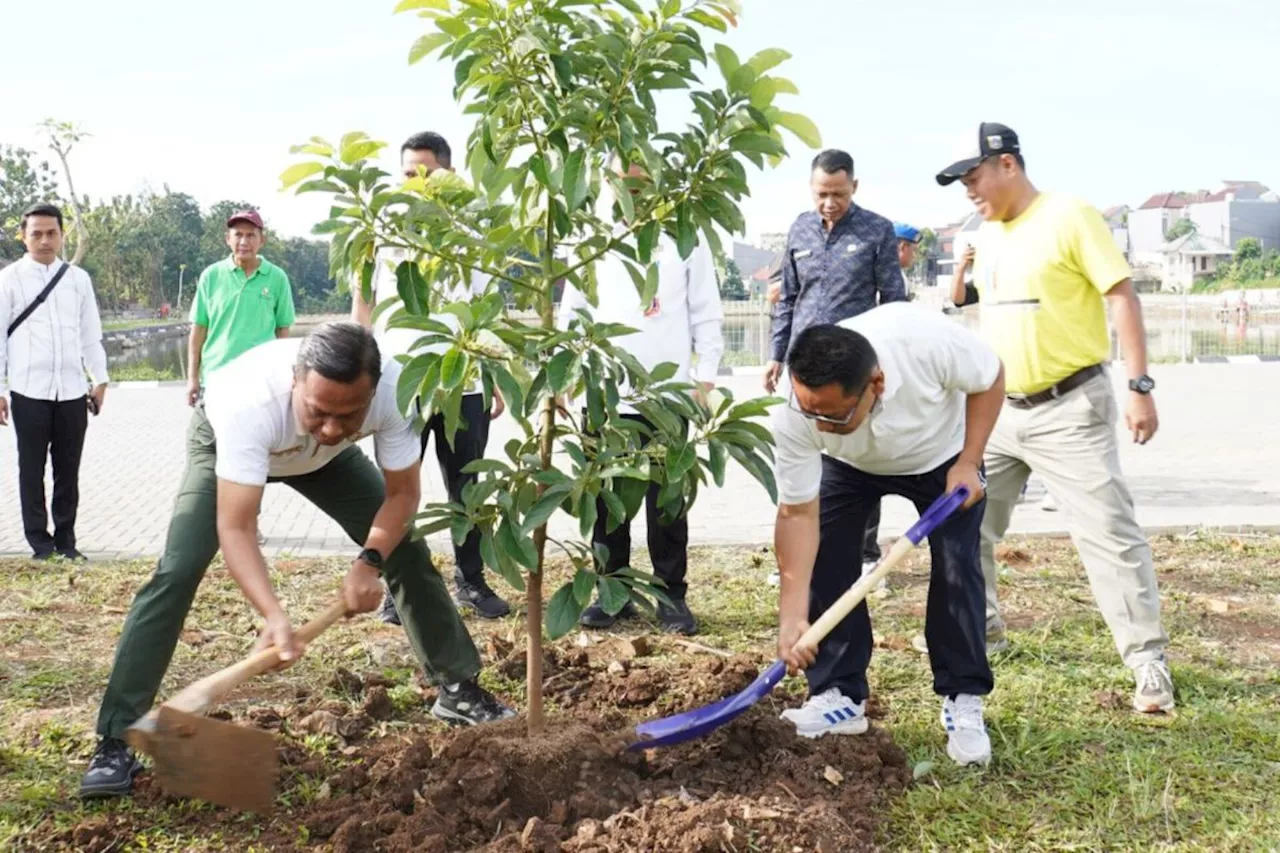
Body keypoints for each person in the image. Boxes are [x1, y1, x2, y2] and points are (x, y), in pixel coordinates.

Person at [78, 323, 512, 800]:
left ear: (371, 393)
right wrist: (273, 614)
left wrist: (369, 562)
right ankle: (116, 737)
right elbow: (236, 527)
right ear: (295, 381)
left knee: (404, 550)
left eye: (349, 416)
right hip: (225, 443)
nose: (331, 429)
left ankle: (458, 689)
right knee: (177, 570)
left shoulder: (393, 391)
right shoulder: (249, 404)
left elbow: (403, 495)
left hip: (325, 465)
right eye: (319, 411)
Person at [935, 121, 1174, 713]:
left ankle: (1148, 663)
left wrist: (1139, 385)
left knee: (1109, 536)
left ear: (1009, 164)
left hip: (1070, 407)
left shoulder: (1071, 216)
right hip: (999, 413)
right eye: (961, 180)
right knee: (965, 525)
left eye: (974, 175)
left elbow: (1121, 296)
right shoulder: (986, 234)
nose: (968, 188)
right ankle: (982, 629)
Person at [772, 303, 1005, 766]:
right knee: (827, 562)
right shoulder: (794, 407)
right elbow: (797, 514)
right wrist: (792, 616)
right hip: (848, 464)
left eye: (833, 416)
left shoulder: (925, 344)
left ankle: (963, 697)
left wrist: (969, 459)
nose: (818, 425)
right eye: (810, 412)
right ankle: (839, 694)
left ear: (875, 385)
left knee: (958, 569)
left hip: (941, 456)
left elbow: (991, 376)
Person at [556, 159, 724, 636]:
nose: (631, 190)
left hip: (668, 396)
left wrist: (704, 380)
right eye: (621, 182)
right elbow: (575, 310)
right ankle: (612, 592)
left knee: (667, 501)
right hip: (605, 394)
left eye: (640, 181)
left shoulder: (684, 239)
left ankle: (670, 594)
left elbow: (706, 311)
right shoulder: (594, 242)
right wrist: (568, 375)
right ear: (608, 185)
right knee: (607, 499)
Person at [352, 130, 510, 621]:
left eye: (427, 173)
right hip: (402, 379)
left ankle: (471, 581)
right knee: (399, 490)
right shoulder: (383, 228)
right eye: (407, 174)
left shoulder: (472, 232)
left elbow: (488, 308)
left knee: (468, 488)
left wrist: (496, 375)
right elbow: (364, 302)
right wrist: (361, 370)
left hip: (463, 380)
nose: (416, 183)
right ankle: (404, 589)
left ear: (449, 175)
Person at [763, 150, 908, 586]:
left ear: (854, 188)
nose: (830, 203)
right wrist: (776, 354)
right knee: (800, 456)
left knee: (860, 458)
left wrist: (888, 359)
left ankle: (865, 555)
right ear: (812, 189)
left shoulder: (876, 231)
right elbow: (788, 298)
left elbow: (894, 300)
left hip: (853, 366)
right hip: (803, 364)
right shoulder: (799, 229)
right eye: (822, 194)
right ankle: (797, 556)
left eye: (839, 194)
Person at [0, 203, 108, 561]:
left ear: (63, 235)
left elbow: (91, 333)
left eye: (52, 233)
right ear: (23, 236)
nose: (45, 240)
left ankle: (66, 542)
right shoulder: (9, 279)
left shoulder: (78, 280)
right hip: (28, 390)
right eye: (36, 233)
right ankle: (40, 544)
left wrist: (100, 378)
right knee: (31, 470)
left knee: (68, 470)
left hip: (72, 391)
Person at [186, 209, 295, 406]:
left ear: (262, 240)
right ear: (228, 239)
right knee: (202, 437)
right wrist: (192, 378)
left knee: (260, 436)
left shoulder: (277, 278)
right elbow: (198, 330)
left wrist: (285, 377)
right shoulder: (211, 276)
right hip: (216, 379)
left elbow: (282, 331)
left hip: (261, 382)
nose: (244, 242)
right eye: (238, 235)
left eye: (251, 235)